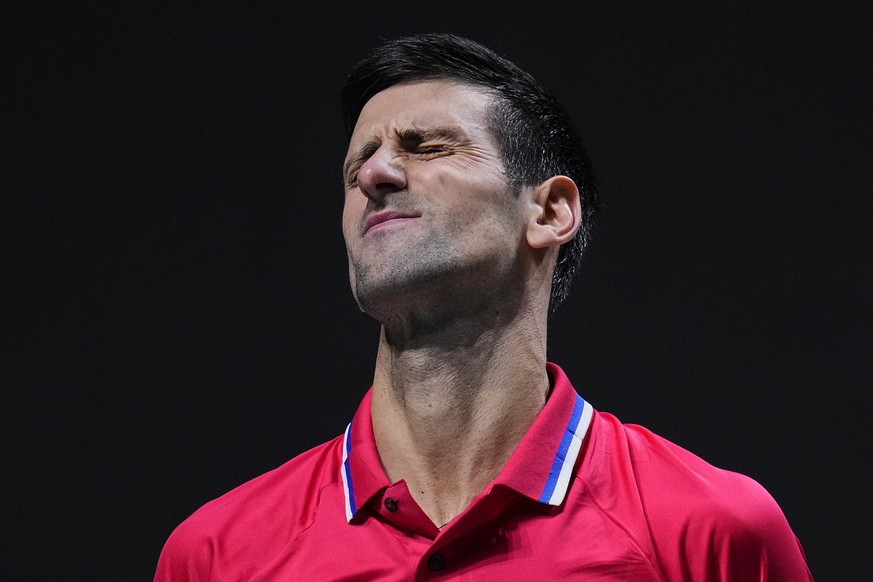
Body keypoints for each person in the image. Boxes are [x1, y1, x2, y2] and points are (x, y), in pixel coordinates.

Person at [155, 33, 813, 580]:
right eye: (357, 165)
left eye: (426, 146)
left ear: (549, 210)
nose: (374, 175)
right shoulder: (215, 554)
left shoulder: (711, 531)